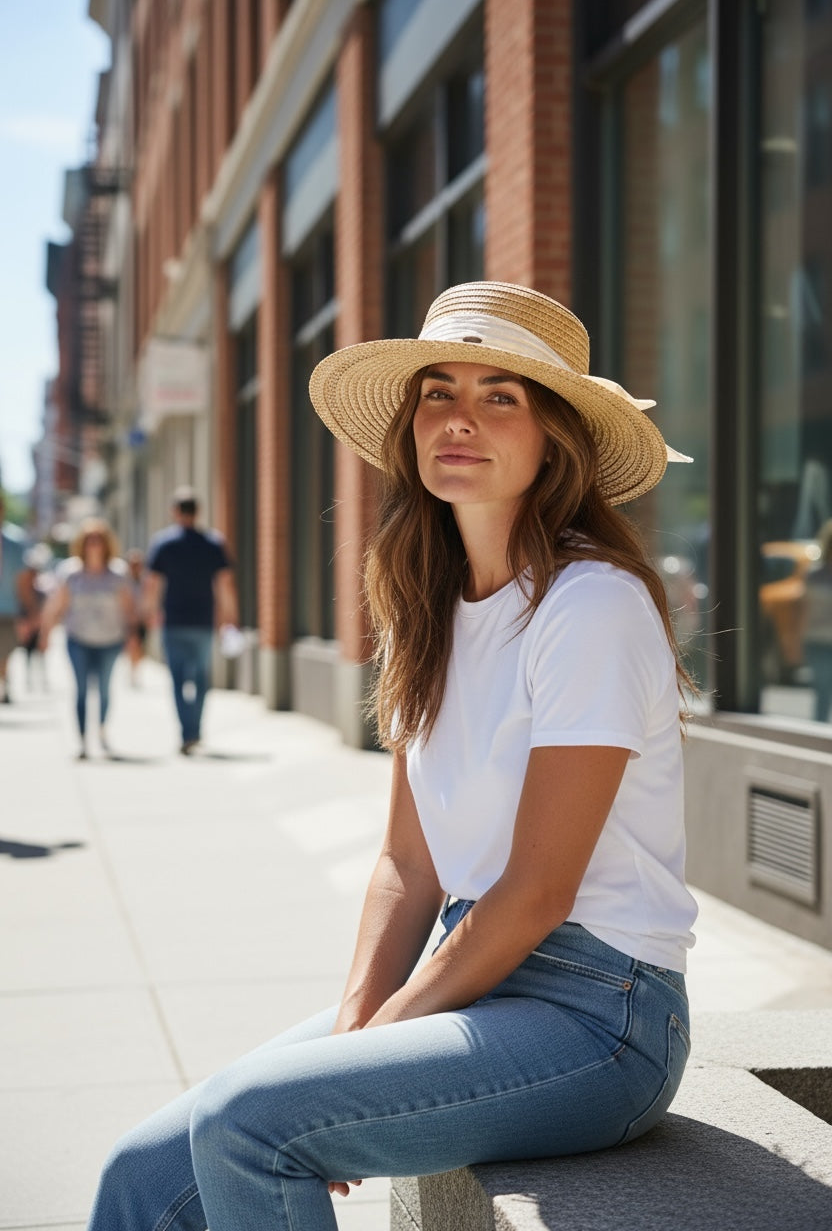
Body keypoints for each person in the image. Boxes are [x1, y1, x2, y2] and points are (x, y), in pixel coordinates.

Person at [86, 281, 698, 1231]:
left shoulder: (590, 604)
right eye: (437, 392)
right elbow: (405, 866)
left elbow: (537, 890)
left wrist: (388, 1031)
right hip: (480, 969)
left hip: (601, 1015)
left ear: (555, 438)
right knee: (142, 1173)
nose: (459, 419)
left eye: (502, 396)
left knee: (250, 1129)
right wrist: (352, 1031)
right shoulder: (432, 607)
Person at [144, 487, 238, 754]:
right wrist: (229, 617)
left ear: (175, 512)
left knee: (176, 679)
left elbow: (152, 584)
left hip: (173, 621)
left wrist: (149, 613)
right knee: (199, 679)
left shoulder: (163, 544)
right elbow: (225, 584)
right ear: (198, 512)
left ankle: (186, 732)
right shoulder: (213, 543)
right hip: (203, 622)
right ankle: (194, 731)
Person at [40, 518, 133, 759]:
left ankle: (101, 730)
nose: (94, 545)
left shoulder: (118, 573)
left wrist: (133, 638)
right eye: (89, 540)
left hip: (111, 640)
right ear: (82, 544)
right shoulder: (69, 572)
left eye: (99, 540)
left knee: (103, 689)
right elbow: (55, 606)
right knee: (81, 690)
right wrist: (46, 634)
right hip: (78, 639)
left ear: (106, 544)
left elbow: (128, 609)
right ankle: (82, 740)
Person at [802, 517, 832, 722]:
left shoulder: (813, 575)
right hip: (819, 642)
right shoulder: (812, 575)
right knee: (823, 691)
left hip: (817, 640)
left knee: (822, 691)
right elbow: (804, 612)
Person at [0, 492, 28, 704]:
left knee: (4, 651)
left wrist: (28, 611)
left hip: (7, 608)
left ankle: (4, 681)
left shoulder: (15, 543)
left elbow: (22, 581)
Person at [15, 542, 54, 692]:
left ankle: (42, 681)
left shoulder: (41, 592)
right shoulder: (21, 593)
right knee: (28, 657)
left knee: (41, 657)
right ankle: (28, 681)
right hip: (26, 628)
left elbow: (46, 611)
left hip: (37, 628)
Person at [123, 547, 150, 687]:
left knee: (140, 647)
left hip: (141, 620)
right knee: (132, 645)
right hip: (128, 620)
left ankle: (135, 669)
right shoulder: (124, 582)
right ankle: (132, 671)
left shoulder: (145, 581)